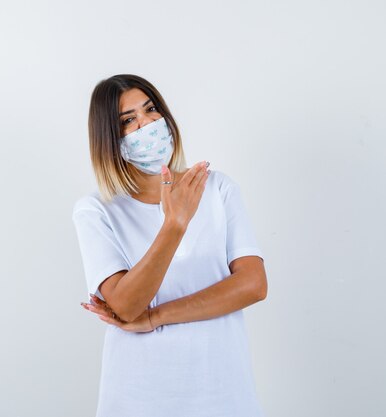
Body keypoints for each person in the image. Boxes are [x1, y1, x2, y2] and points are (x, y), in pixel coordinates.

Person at [71, 74, 268, 417]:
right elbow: (128, 305)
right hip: (140, 397)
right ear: (110, 139)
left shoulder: (217, 189)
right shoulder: (96, 211)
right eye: (128, 120)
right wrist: (174, 224)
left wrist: (157, 317)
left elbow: (253, 285)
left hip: (222, 390)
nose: (146, 123)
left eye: (150, 110)